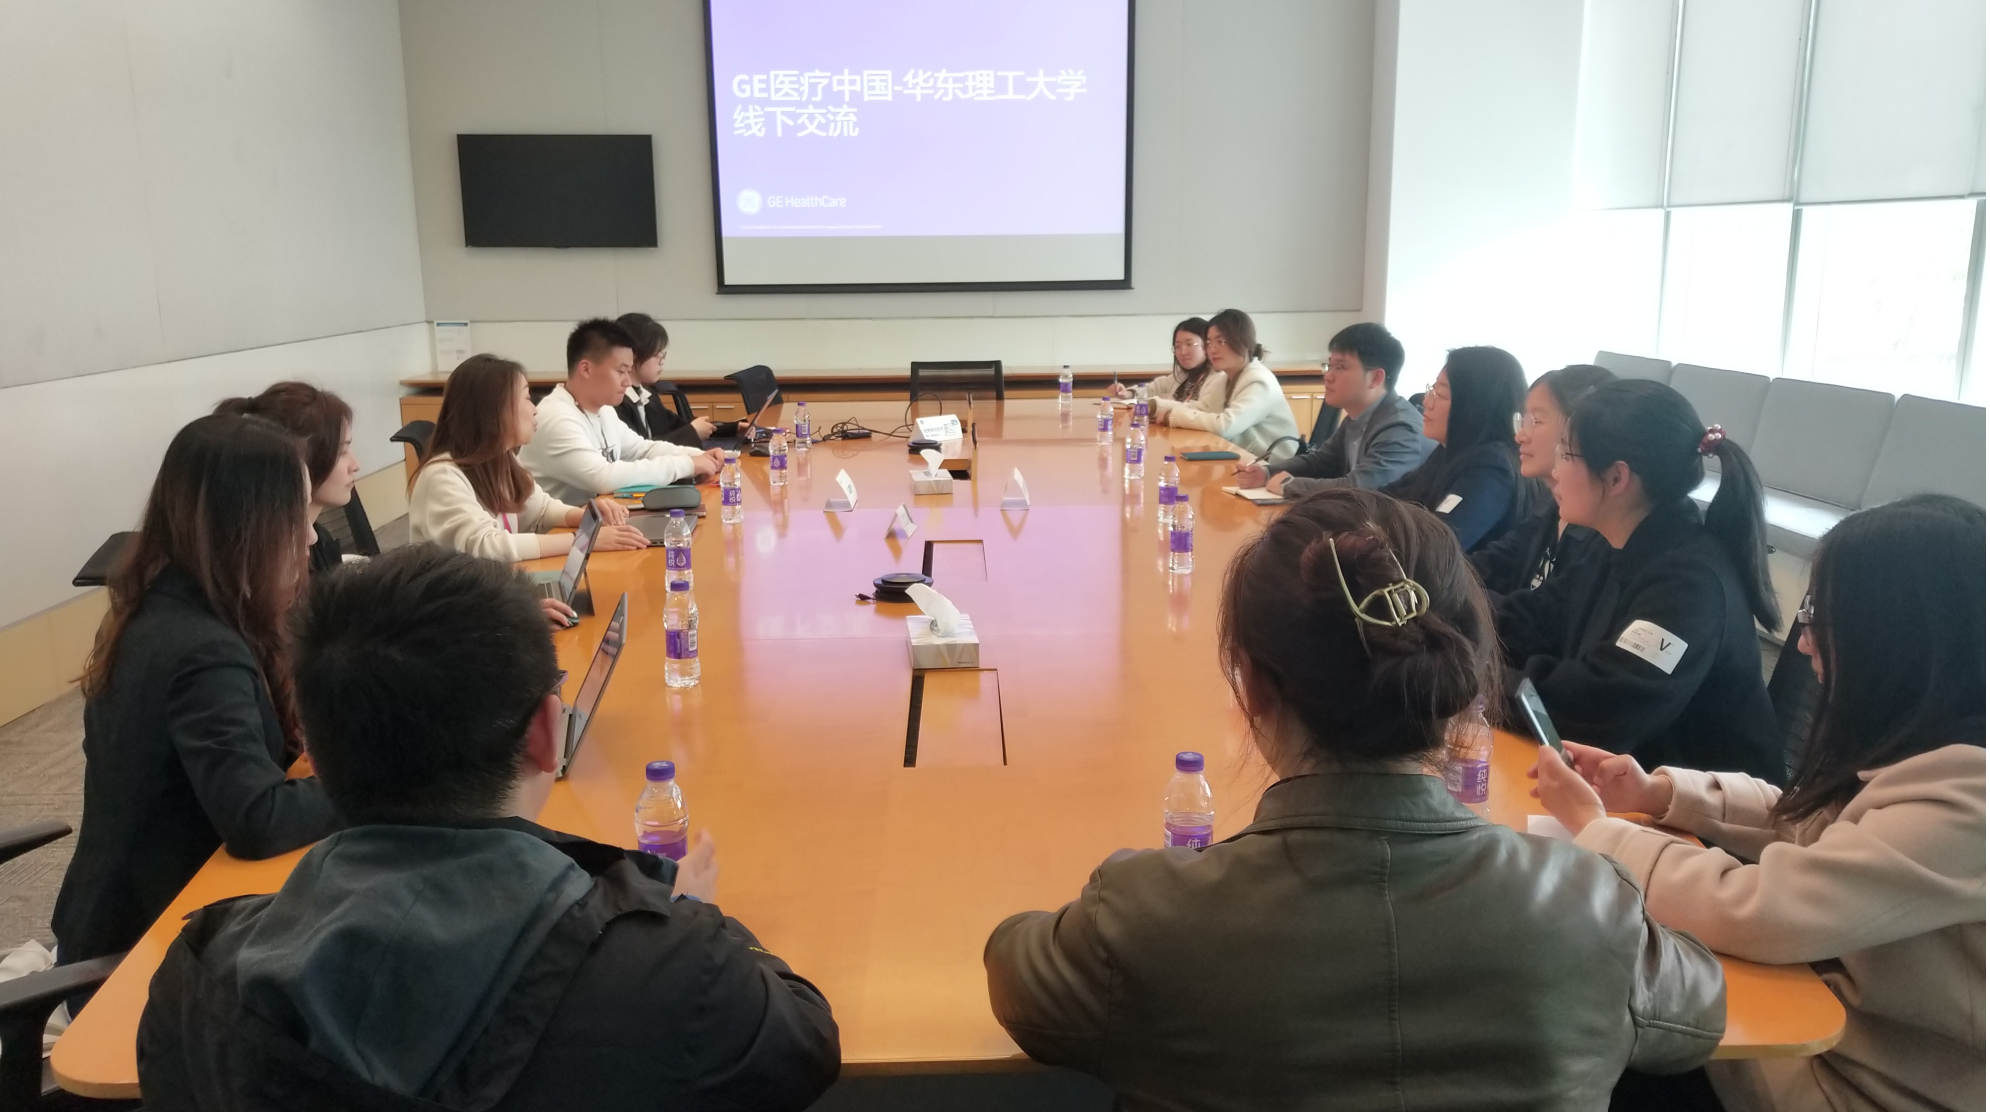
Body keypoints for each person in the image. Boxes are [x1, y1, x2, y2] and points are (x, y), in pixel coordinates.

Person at [985, 487, 1725, 1110]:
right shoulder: (1592, 910)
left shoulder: (1144, 915)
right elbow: (1701, 1010)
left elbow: (1015, 971)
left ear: (1251, 686)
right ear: (1462, 680)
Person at [139, 545, 842, 1109]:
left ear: (315, 756)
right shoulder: (670, 972)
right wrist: (694, 913)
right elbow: (805, 1039)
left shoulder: (196, 979)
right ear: (546, 734)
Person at [1535, 494, 1985, 1112]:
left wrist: (1597, 830)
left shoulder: (1967, 802)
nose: (1804, 643)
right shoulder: (1924, 742)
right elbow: (1808, 818)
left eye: (1821, 616)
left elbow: (1762, 909)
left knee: (1571, 1028)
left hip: (1851, 1084)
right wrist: (1658, 794)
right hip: (1815, 1033)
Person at [52, 415, 342, 991]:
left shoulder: (163, 605)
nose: (311, 538)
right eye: (296, 517)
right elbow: (258, 818)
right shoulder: (203, 651)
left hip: (129, 915)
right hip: (144, 954)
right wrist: (382, 784)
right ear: (248, 526)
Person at [1498, 379, 1783, 782]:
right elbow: (1534, 617)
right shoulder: (1618, 542)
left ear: (1617, 478)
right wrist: (1445, 616)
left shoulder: (1690, 586)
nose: (1556, 471)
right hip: (1625, 787)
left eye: (1566, 454)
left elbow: (1600, 709)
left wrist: (1477, 680)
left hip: (1696, 813)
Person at [410, 354, 649, 627]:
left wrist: (585, 518)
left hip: (487, 596)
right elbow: (487, 547)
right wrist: (583, 540)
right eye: (525, 397)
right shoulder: (442, 475)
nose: (534, 409)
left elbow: (539, 508)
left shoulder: (500, 458)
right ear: (493, 410)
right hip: (447, 619)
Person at [518, 318, 722, 506]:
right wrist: (687, 464)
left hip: (596, 518)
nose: (627, 382)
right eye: (621, 371)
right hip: (558, 528)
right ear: (586, 369)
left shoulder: (604, 410)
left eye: (629, 371)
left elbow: (641, 449)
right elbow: (604, 477)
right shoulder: (557, 418)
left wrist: (700, 455)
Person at [1235, 321, 1434, 498]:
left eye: (1340, 367)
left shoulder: (1400, 429)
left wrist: (1289, 485)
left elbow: (1361, 489)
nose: (1328, 376)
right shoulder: (1359, 417)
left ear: (1375, 378)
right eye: (1329, 366)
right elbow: (1320, 461)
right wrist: (1268, 472)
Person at [1469, 364, 1615, 598]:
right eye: (1523, 420)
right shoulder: (1548, 505)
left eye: (1536, 421)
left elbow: (1547, 614)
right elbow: (1491, 563)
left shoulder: (1605, 532)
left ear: (1582, 427)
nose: (1520, 436)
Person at [1380, 346, 1533, 553]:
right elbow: (1389, 497)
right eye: (1432, 389)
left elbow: (1439, 543)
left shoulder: (1491, 466)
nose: (1427, 402)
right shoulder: (1451, 451)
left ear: (1475, 405)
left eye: (1441, 394)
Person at [213, 383, 362, 574]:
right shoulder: (265, 567)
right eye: (341, 452)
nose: (355, 465)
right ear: (301, 459)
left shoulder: (320, 543)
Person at [1148, 308, 1302, 463]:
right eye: (1209, 343)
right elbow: (1200, 408)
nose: (1212, 349)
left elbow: (1226, 426)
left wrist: (1173, 416)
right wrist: (1154, 406)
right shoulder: (1224, 379)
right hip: (1244, 460)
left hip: (1275, 467)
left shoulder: (1259, 380)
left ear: (1243, 341)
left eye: (1221, 341)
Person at [613, 312, 740, 448]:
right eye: (656, 355)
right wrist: (692, 433)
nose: (662, 362)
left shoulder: (648, 395)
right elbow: (640, 449)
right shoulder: (616, 402)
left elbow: (679, 425)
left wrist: (733, 428)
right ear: (632, 356)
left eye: (663, 354)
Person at [1110, 318, 1226, 413]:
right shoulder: (1182, 375)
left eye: (1189, 344)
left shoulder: (1218, 378)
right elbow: (1152, 389)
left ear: (1206, 344)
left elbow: (1204, 412)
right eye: (1178, 346)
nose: (1183, 352)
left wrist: (1169, 404)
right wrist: (1128, 394)